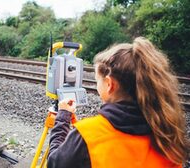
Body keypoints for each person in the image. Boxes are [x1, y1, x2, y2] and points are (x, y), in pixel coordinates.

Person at [47, 37, 189, 168]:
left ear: (109, 84)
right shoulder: (168, 133)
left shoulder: (88, 135)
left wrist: (62, 119)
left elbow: (55, 163)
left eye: (98, 80)